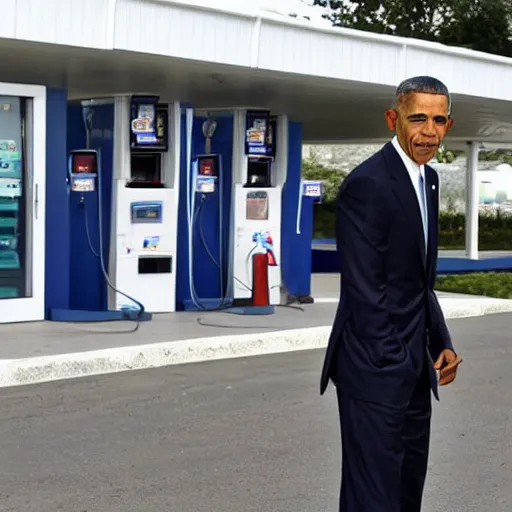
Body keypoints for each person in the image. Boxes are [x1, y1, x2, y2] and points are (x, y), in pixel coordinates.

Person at [320, 76, 463, 512]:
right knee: (373, 496)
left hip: (415, 367)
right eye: (417, 118)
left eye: (438, 120)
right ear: (392, 118)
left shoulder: (428, 180)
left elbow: (417, 279)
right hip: (375, 367)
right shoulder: (368, 184)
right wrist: (395, 361)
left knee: (405, 488)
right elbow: (365, 290)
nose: (429, 131)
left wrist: (440, 343)